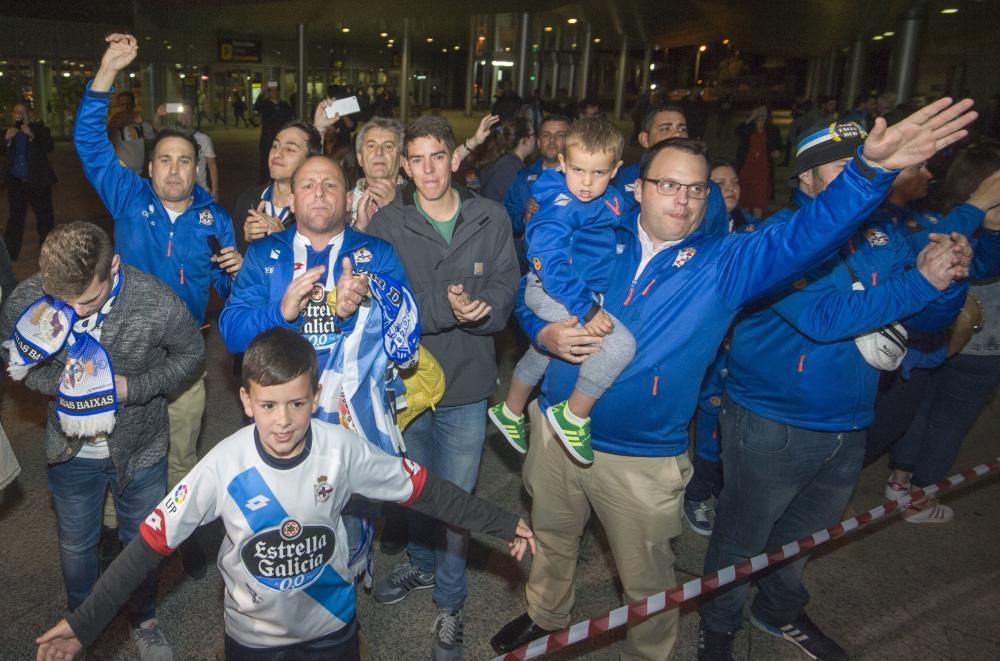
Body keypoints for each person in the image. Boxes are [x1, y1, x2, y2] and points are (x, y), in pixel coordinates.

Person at [490, 97, 978, 660]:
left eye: (696, 188)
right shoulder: (596, 230)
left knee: (646, 577)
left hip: (641, 456)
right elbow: (538, 288)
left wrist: (868, 173)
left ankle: (648, 653)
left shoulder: (724, 264)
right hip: (555, 426)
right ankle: (546, 614)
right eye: (669, 184)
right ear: (638, 187)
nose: (683, 197)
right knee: (552, 537)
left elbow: (805, 235)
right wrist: (543, 334)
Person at [34, 327, 536, 661]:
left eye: (297, 403)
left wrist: (498, 521)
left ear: (315, 399)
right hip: (253, 641)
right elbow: (144, 548)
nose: (283, 420)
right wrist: (84, 624)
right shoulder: (222, 467)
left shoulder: (343, 451)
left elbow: (425, 490)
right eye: (269, 404)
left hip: (334, 627)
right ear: (246, 402)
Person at [697, 119, 989, 661]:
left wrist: (946, 277)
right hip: (770, 422)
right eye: (845, 165)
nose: (865, 175)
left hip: (850, 420)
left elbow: (927, 314)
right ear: (805, 179)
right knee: (742, 537)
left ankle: (777, 611)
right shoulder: (776, 243)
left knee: (806, 537)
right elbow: (827, 318)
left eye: (871, 163)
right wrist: (919, 282)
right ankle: (719, 623)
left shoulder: (883, 236)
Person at [75, 34, 243, 577]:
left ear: (198, 170)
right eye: (165, 160)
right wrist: (107, 70)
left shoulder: (214, 221)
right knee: (114, 443)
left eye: (185, 161)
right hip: (122, 348)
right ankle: (109, 529)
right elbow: (89, 143)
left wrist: (240, 275)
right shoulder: (128, 197)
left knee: (181, 445)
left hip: (185, 351)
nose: (174, 170)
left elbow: (237, 294)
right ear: (150, 169)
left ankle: (182, 529)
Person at [2, 222, 204, 661]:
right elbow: (14, 355)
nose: (73, 310)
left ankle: (144, 618)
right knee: (77, 548)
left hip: (141, 449)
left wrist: (135, 387)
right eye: (62, 301)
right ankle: (80, 624)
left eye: (88, 300)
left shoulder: (154, 300)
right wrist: (67, 383)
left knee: (140, 542)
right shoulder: (27, 298)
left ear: (113, 266)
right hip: (69, 452)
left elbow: (192, 356)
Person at [365, 115, 519, 660]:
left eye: (438, 156)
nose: (428, 169)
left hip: (467, 384)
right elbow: (385, 299)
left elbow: (507, 282)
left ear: (456, 159)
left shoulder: (491, 217)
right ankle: (422, 565)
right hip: (407, 383)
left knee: (456, 501)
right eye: (417, 159)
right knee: (415, 488)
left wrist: (486, 308)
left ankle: (452, 601)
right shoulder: (387, 225)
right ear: (405, 167)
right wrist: (443, 310)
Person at [867, 145, 1000, 524]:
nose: (927, 174)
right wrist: (978, 208)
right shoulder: (899, 221)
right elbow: (913, 258)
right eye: (918, 168)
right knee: (939, 419)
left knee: (911, 415)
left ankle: (897, 481)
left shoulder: (931, 215)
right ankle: (916, 495)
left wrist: (989, 227)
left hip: (926, 350)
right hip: (922, 352)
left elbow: (983, 263)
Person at [489, 117, 633, 465]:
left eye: (598, 172)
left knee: (545, 351)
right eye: (578, 170)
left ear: (615, 170)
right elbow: (551, 265)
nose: (586, 182)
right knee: (619, 346)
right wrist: (587, 308)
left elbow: (616, 219)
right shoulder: (558, 207)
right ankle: (574, 416)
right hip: (554, 291)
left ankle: (510, 410)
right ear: (564, 163)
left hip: (573, 292)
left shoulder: (609, 200)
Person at [232, 121, 322, 252]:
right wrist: (247, 243)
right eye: (275, 146)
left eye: (290, 149)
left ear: (310, 161)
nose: (277, 154)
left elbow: (321, 265)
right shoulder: (248, 200)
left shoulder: (318, 210)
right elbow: (236, 262)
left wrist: (284, 240)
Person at [312, 111, 404, 231]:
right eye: (371, 146)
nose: (379, 152)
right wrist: (359, 228)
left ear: (402, 159)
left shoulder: (418, 201)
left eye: (388, 146)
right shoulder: (340, 201)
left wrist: (394, 210)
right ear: (359, 158)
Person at [503, 115, 571, 272]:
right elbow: (506, 218)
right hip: (527, 269)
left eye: (560, 135)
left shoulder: (581, 181)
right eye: (547, 135)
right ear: (539, 142)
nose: (552, 141)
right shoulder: (523, 177)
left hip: (565, 270)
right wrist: (524, 218)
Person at [2, 102, 57, 262]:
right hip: (16, 182)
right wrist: (6, 138)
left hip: (38, 181)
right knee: (15, 219)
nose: (19, 115)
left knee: (45, 217)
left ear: (29, 114)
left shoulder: (40, 130)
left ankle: (48, 253)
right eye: (16, 112)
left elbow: (49, 146)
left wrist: (32, 135)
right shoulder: (9, 131)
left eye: (22, 112)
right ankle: (9, 256)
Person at [152, 104, 220, 201]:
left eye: (187, 113)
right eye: (181, 114)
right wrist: (158, 115)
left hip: (200, 190)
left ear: (193, 116)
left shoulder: (203, 139)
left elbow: (212, 165)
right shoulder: (170, 136)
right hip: (178, 188)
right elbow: (157, 127)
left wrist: (215, 191)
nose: (184, 117)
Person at [735, 105, 782, 218]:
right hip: (747, 166)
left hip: (763, 168)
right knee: (745, 197)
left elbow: (778, 146)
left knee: (759, 199)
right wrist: (750, 118)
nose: (761, 113)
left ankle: (757, 224)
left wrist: (777, 152)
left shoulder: (772, 129)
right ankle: (743, 225)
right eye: (759, 111)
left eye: (764, 111)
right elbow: (738, 132)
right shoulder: (748, 127)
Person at [477, 116, 537, 203]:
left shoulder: (499, 159)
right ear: (524, 139)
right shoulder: (514, 170)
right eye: (533, 135)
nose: (535, 139)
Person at [255, 83, 296, 184]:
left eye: (275, 90)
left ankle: (279, 182)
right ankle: (265, 185)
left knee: (281, 161)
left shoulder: (284, 105)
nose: (273, 93)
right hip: (267, 140)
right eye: (270, 91)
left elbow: (290, 119)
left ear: (278, 91)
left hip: (282, 140)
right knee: (266, 163)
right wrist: (262, 92)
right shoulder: (265, 105)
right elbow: (256, 107)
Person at [107, 91, 152, 175]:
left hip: (139, 171)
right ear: (119, 106)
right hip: (120, 171)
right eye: (122, 104)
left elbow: (151, 135)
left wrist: (142, 122)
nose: (126, 107)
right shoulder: (113, 121)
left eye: (129, 104)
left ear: (133, 105)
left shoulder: (138, 121)